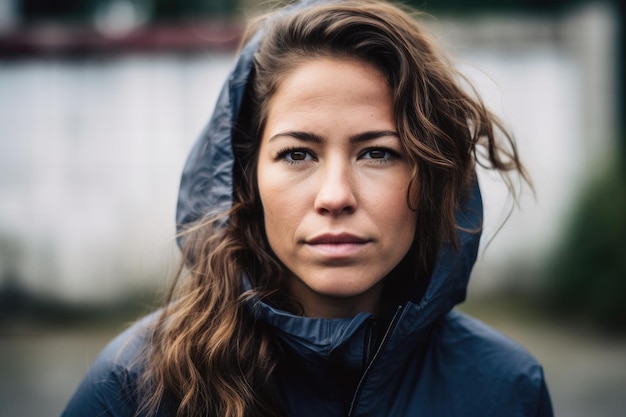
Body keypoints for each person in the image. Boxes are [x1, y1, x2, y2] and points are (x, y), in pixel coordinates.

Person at [61, 0, 554, 416]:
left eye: (377, 152)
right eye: (297, 154)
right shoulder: (135, 389)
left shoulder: (506, 390)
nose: (335, 196)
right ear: (245, 177)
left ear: (431, 174)